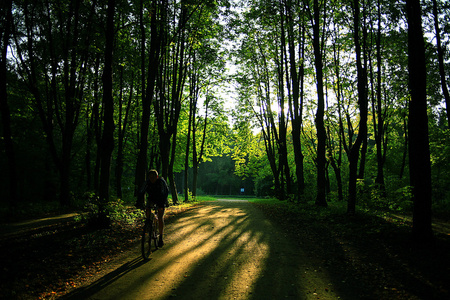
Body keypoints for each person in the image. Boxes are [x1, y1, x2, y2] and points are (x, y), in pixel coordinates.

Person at [137, 169, 169, 247]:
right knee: (147, 209)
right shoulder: (147, 182)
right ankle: (148, 223)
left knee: (160, 216)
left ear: (157, 177)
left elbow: (165, 193)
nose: (152, 179)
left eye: (153, 177)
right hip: (151, 198)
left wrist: (162, 204)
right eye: (150, 177)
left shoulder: (161, 182)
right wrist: (139, 202)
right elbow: (141, 192)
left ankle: (160, 237)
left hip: (161, 198)